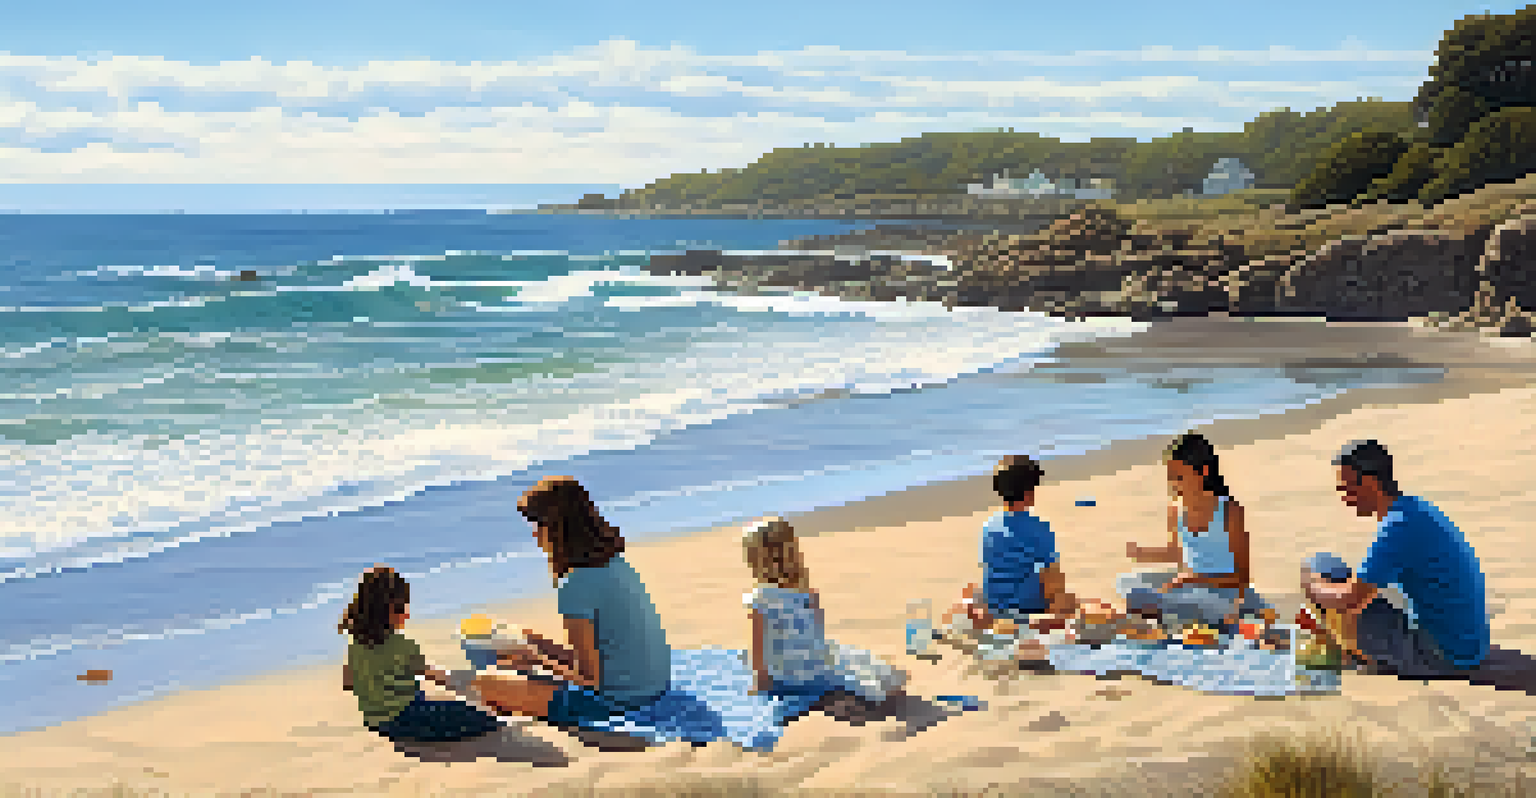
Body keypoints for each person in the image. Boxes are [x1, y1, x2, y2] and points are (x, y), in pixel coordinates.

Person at [467, 476, 673, 727]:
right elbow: (601, 651)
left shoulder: (575, 584)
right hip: (652, 682)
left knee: (484, 682)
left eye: (538, 525)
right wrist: (534, 649)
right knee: (526, 637)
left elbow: (588, 679)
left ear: (556, 528)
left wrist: (536, 661)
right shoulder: (613, 562)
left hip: (620, 700)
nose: (534, 533)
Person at [1301, 440, 1490, 676]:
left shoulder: (1396, 527)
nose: (1344, 498)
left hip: (1441, 655)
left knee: (1318, 571)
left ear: (1370, 483)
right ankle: (1345, 644)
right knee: (1331, 569)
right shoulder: (1414, 509)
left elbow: (1349, 599)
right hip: (1469, 645)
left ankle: (1348, 653)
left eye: (1346, 489)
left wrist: (1311, 587)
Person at [742, 515, 907, 704]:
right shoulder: (803, 593)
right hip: (807, 668)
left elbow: (760, 648)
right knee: (857, 668)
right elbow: (813, 635)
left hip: (793, 671)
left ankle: (872, 686)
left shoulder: (762, 598)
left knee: (852, 665)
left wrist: (761, 682)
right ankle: (878, 684)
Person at [1119, 432, 1268, 632]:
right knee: (1128, 585)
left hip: (1223, 594)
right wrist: (1142, 554)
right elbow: (1177, 552)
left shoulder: (1229, 511)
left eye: (1179, 477)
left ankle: (1174, 617)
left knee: (1181, 602)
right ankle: (1172, 614)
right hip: (1189, 589)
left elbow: (1242, 578)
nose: (1174, 484)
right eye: (1170, 477)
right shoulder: (1176, 510)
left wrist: (1195, 579)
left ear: (1203, 472)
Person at [339, 566, 503, 743]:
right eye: (402, 607)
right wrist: (470, 683)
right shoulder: (401, 645)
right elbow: (437, 677)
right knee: (479, 715)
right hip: (409, 718)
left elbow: (348, 683)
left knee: (438, 703)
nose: (407, 614)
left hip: (375, 721)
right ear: (389, 611)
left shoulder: (355, 646)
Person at [942, 455, 1080, 636]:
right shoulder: (1040, 528)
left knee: (973, 588)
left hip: (994, 605)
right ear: (1029, 493)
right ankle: (1032, 625)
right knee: (1067, 599)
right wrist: (1058, 602)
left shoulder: (988, 527)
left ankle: (992, 619)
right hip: (1028, 608)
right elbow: (1052, 579)